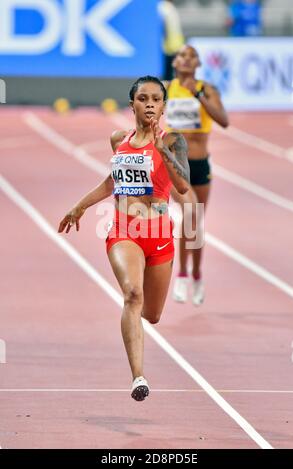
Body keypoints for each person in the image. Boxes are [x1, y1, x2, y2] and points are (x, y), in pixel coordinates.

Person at [58, 76, 190, 401]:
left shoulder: (174, 140)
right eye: (142, 98)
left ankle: (137, 322)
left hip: (158, 234)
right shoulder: (119, 140)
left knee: (153, 314)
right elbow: (111, 182)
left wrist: (164, 152)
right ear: (131, 104)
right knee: (133, 294)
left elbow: (184, 186)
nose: (149, 104)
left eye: (155, 99)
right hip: (124, 230)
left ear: (163, 106)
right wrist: (80, 206)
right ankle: (138, 377)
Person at [163, 45, 229, 306]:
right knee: (190, 212)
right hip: (175, 163)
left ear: (198, 63)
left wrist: (199, 94)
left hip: (201, 165)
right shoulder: (166, 88)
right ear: (175, 62)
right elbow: (148, 108)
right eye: (182, 55)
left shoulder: (207, 89)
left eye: (191, 56)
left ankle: (197, 275)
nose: (186, 59)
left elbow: (223, 120)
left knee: (196, 223)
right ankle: (180, 274)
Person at [158, 0, 185, 80]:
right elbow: (164, 28)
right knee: (168, 74)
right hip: (168, 48)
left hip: (174, 46)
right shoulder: (163, 7)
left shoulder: (168, 7)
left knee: (172, 74)